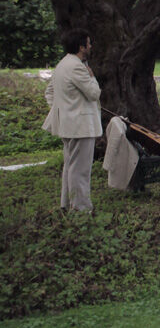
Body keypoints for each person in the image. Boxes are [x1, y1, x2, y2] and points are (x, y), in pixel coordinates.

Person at [42, 29, 103, 212]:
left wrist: (64, 110)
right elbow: (94, 94)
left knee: (70, 166)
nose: (91, 46)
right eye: (89, 43)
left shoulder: (62, 64)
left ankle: (66, 204)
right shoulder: (77, 66)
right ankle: (81, 209)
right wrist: (92, 77)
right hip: (80, 126)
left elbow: (49, 93)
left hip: (69, 124)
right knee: (80, 170)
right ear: (81, 47)